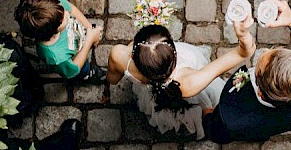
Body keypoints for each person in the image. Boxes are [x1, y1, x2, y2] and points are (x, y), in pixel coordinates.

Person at [202, 0, 291, 144]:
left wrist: (207, 116)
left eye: (258, 66)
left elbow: (215, 132)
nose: (266, 50)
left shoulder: (233, 119)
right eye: (273, 50)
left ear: (260, 94)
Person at [107, 17, 254, 139]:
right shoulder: (189, 82)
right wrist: (243, 35)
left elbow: (112, 80)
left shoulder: (118, 55)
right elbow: (243, 53)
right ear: (174, 54)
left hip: (151, 95)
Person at [15, 0, 106, 83]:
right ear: (53, 31)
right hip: (76, 58)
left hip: (82, 39)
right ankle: (87, 75)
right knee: (83, 69)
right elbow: (73, 69)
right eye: (62, 20)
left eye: (63, 10)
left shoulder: (56, 9)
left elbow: (71, 9)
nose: (66, 14)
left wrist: (89, 29)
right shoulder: (56, 57)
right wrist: (89, 40)